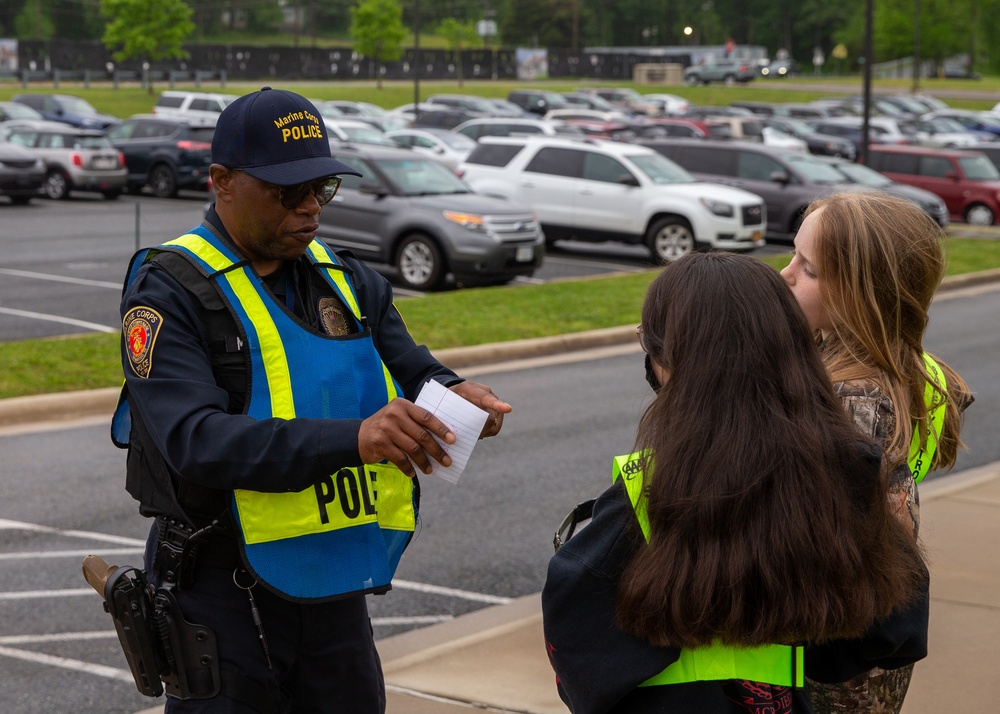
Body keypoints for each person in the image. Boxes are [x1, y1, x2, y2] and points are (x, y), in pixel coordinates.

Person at [110, 87, 511, 713]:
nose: (309, 210)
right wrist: (354, 439)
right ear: (221, 182)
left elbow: (416, 371)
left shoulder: (348, 280)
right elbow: (196, 440)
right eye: (285, 193)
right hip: (218, 584)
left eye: (320, 189)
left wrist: (460, 396)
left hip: (328, 584)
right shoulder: (169, 292)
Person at [542, 252, 930, 714]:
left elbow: (575, 648)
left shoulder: (649, 488)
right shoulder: (845, 473)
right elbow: (895, 628)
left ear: (669, 361)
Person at [781, 191, 972, 713]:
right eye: (793, 255)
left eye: (809, 269)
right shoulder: (905, 367)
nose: (785, 275)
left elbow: (817, 533)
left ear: (866, 294)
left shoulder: (853, 399)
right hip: (868, 629)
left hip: (840, 654)